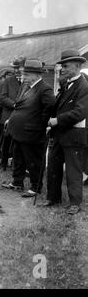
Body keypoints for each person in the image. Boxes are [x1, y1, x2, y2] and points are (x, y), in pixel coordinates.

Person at [43, 50, 88, 215]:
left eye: (66, 66)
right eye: (62, 66)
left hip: (74, 135)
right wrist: (52, 124)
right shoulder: (65, 84)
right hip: (59, 133)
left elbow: (80, 113)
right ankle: (53, 198)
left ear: (77, 66)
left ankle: (75, 203)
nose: (62, 69)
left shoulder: (84, 86)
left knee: (73, 170)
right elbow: (59, 107)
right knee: (53, 166)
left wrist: (57, 120)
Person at [2, 59, 55, 198]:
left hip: (33, 132)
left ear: (36, 75)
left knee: (34, 161)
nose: (23, 77)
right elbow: (19, 106)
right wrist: (11, 119)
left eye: (26, 74)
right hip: (19, 131)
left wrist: (41, 123)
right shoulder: (26, 87)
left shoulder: (45, 89)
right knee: (18, 157)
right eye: (23, 74)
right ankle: (17, 182)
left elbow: (50, 107)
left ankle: (35, 187)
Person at [0, 57, 25, 170]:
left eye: (19, 67)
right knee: (6, 140)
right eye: (15, 68)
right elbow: (2, 97)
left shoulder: (27, 81)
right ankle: (3, 162)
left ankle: (16, 163)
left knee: (18, 141)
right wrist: (14, 105)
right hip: (8, 114)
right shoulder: (7, 81)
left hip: (22, 117)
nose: (17, 70)